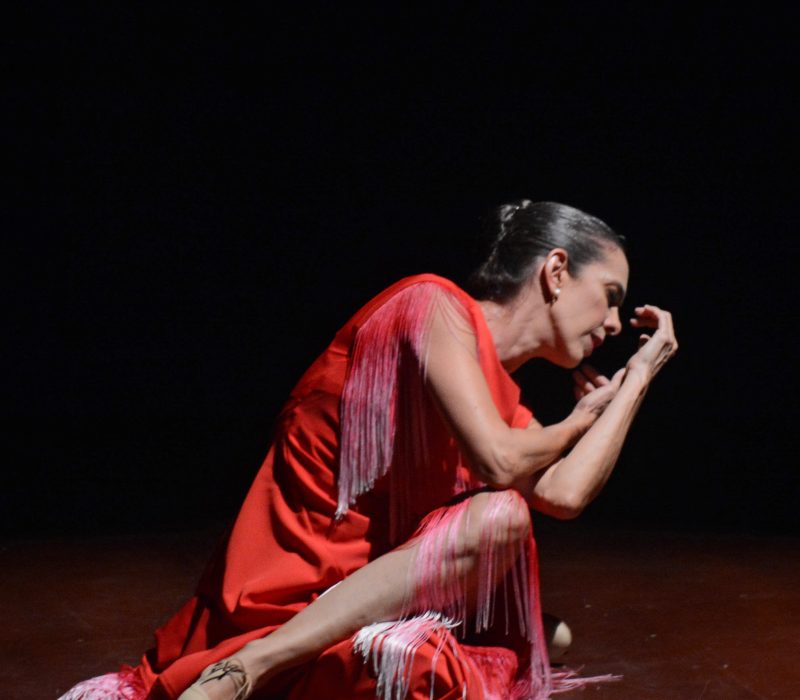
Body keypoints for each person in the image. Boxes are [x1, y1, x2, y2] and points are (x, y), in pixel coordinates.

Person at [61, 200, 678, 700]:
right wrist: (577, 421)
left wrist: (637, 382)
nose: (617, 322)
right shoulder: (430, 304)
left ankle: (319, 658)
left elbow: (565, 496)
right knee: (502, 518)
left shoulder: (504, 399)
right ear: (556, 270)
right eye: (612, 294)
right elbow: (501, 463)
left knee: (545, 637)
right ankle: (249, 667)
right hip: (285, 586)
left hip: (358, 594)